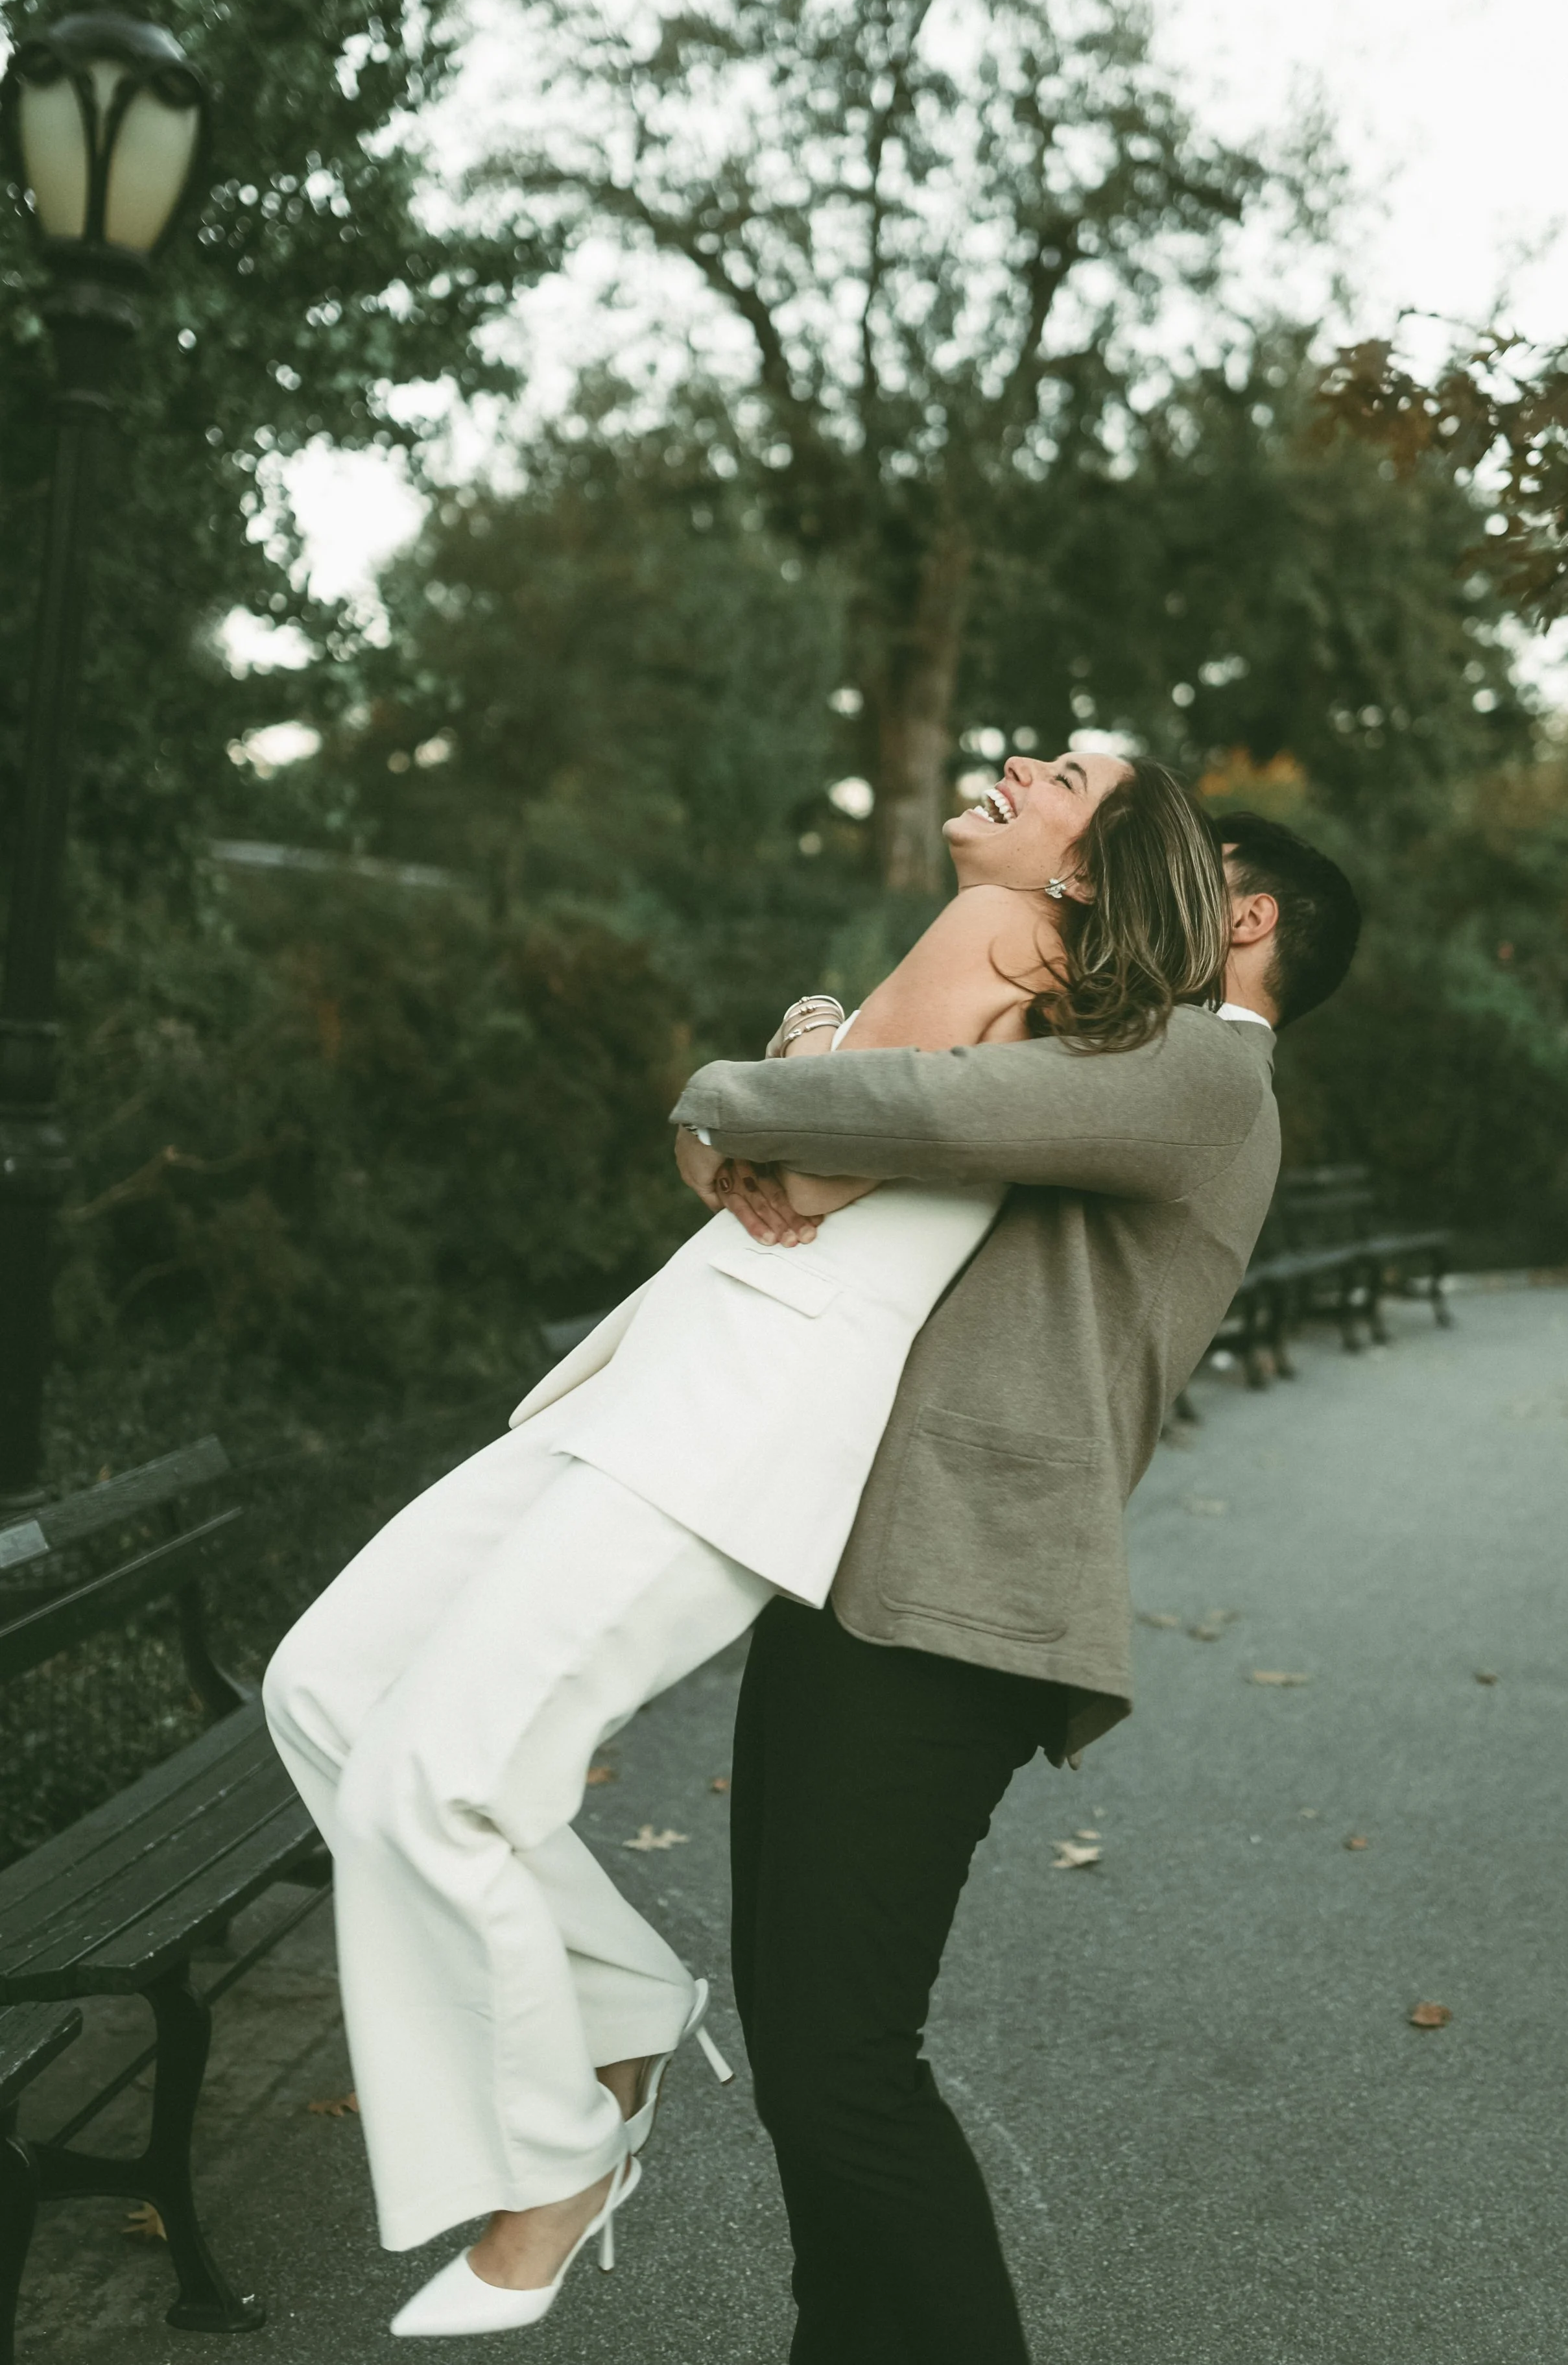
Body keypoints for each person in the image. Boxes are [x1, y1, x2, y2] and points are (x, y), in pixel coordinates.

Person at [260, 745, 1234, 2339]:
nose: (1006, 763)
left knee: (431, 1776)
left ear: (1086, 866)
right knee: (324, 1687)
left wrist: (767, 1077)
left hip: (735, 1422)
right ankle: (625, 2003)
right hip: (653, 1373)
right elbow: (767, 1141)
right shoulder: (999, 969)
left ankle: (561, 2157)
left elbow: (803, 1152)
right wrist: (768, 1094)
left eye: (1055, 772)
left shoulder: (1000, 939)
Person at [673, 801, 1361, 2365]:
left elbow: (919, 1104)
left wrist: (725, 1092)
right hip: (873, 1575)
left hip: (954, 1599)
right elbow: (892, 1092)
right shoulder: (1149, 1061)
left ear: (1245, 924)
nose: (1142, 899)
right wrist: (798, 1066)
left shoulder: (1199, 1069)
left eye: (1188, 881)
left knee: (842, 2062)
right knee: (802, 2048)